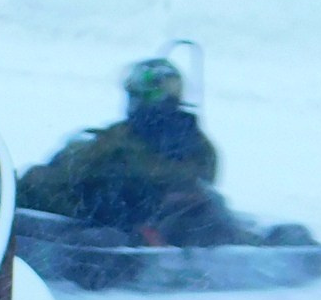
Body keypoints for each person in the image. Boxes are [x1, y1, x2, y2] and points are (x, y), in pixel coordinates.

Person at [14, 57, 242, 246]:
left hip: (124, 212)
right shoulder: (192, 140)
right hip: (144, 212)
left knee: (43, 183)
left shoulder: (134, 137)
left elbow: (81, 170)